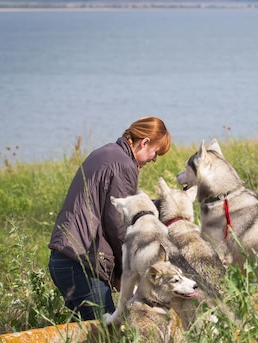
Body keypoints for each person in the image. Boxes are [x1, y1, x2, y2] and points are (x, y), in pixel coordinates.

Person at [48, 116, 171, 321]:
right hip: (82, 264)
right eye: (156, 153)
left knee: (90, 337)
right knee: (107, 339)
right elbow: (119, 226)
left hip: (65, 259)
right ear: (145, 142)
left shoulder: (106, 153)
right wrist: (129, 274)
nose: (154, 159)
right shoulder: (124, 165)